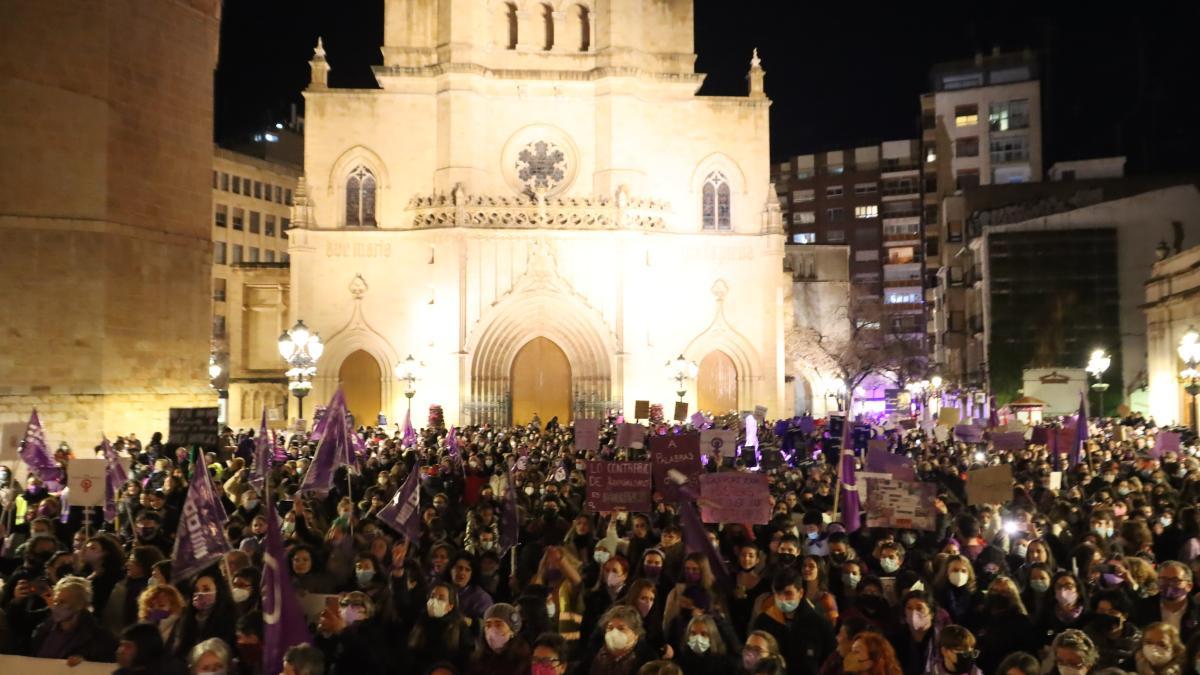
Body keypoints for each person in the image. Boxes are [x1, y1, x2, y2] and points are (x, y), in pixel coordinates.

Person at [751, 568, 836, 675]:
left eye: (788, 593)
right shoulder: (764, 622)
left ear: (800, 593)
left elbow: (830, 662)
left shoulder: (820, 624)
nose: (782, 599)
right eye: (778, 593)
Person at [28, 575, 118, 663]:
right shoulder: (44, 630)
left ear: (80, 605)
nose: (56, 606)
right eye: (56, 601)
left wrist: (87, 665)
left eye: (63, 602)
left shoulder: (99, 639)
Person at [581, 604, 657, 675]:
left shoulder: (648, 659)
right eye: (610, 628)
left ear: (636, 633)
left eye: (621, 628)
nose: (614, 633)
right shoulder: (593, 654)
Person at [466, 602, 531, 675]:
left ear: (512, 631)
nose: (492, 630)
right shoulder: (477, 659)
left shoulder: (523, 660)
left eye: (498, 625)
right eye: (488, 625)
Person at [114, 622, 185, 675]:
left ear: (144, 648)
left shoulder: (169, 671)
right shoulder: (123, 672)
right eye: (121, 645)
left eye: (128, 646)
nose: (120, 651)